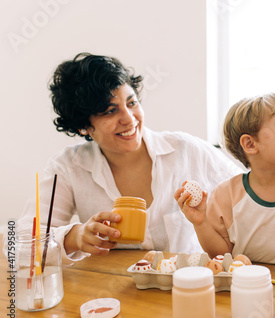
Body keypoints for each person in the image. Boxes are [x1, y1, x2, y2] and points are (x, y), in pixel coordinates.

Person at [9, 53, 242, 265]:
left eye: (132, 103)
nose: (129, 119)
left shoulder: (186, 150)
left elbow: (249, 194)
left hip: (187, 287)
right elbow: (16, 246)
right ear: (83, 126)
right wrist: (75, 237)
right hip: (112, 295)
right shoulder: (68, 166)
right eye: (110, 111)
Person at [175, 93, 275, 265]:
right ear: (250, 144)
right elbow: (222, 255)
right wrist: (201, 223)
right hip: (242, 284)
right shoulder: (225, 195)